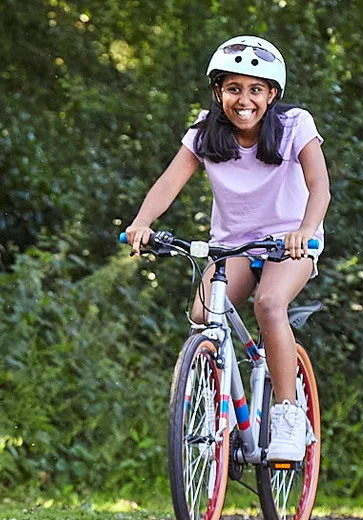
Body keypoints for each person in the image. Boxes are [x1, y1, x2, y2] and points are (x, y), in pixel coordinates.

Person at [123, 35, 330, 462]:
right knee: (203, 316)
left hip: (289, 241)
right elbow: (169, 182)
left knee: (269, 304)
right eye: (234, 88)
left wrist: (305, 230)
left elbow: (319, 186)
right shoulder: (204, 133)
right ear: (218, 92)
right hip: (231, 245)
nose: (244, 100)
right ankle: (220, 404)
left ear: (272, 94)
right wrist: (143, 222)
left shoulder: (295, 125)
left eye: (256, 89)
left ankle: (288, 413)